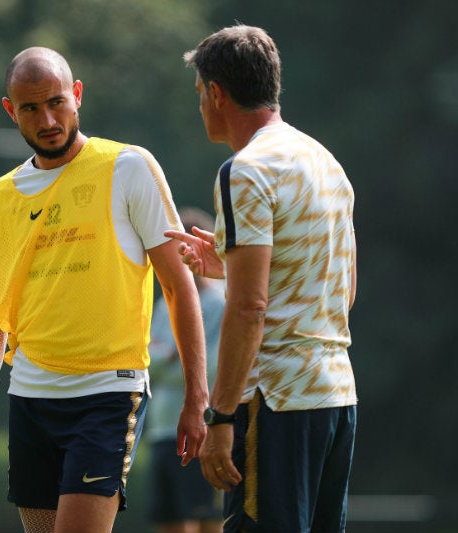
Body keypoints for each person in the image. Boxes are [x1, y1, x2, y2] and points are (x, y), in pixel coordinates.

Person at [0, 46, 209, 533]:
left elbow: (178, 284)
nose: (47, 119)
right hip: (29, 397)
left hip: (107, 393)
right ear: (10, 110)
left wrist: (197, 397)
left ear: (78, 95)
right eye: (30, 108)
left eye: (57, 102)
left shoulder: (128, 167)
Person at [166, 25, 358, 533]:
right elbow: (340, 285)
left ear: (215, 93)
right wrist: (228, 264)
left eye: (199, 94)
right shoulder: (325, 161)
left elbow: (249, 307)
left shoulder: (244, 170)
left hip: (276, 402)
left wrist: (221, 417)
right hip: (335, 396)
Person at [147, 207, 224, 533]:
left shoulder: (219, 304)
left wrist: (169, 360)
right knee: (169, 522)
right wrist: (170, 359)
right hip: (161, 428)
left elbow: (212, 370)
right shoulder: (164, 304)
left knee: (207, 522)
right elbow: (146, 362)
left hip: (202, 429)